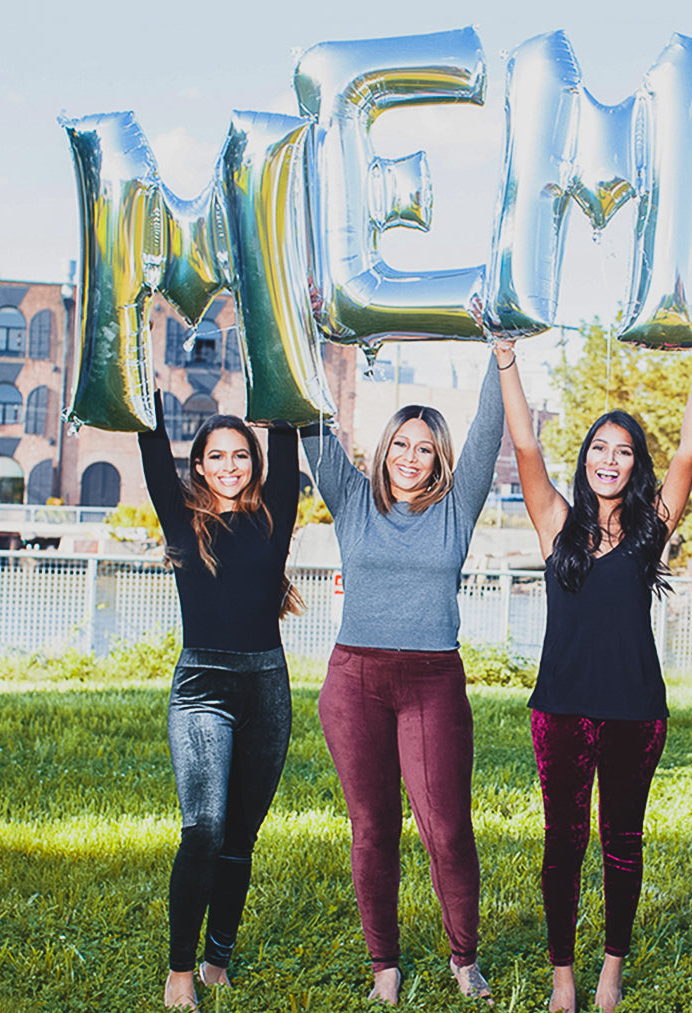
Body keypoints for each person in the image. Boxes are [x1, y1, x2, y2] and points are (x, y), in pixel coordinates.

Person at [495, 340, 692, 1013]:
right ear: (585, 457)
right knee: (562, 845)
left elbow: (688, 450)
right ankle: (563, 977)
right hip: (560, 709)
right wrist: (506, 358)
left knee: (622, 843)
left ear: (635, 465)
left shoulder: (651, 532)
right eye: (599, 448)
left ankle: (611, 968)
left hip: (634, 712)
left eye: (622, 451)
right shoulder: (555, 523)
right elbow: (525, 445)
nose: (609, 460)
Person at [301, 357, 505, 1004]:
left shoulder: (457, 506)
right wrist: (305, 331)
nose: (410, 457)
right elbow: (310, 421)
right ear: (384, 447)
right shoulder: (351, 498)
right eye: (400, 444)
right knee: (373, 827)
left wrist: (500, 350)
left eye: (424, 448)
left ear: (439, 457)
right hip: (355, 681)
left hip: (431, 681)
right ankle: (383, 964)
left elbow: (488, 428)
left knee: (446, 827)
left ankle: (464, 958)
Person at [138, 398, 301, 1009]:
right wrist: (139, 366)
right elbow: (151, 443)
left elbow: (285, 423)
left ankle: (216, 962)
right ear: (199, 466)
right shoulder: (182, 519)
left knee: (239, 838)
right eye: (216, 457)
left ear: (254, 463)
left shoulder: (274, 513)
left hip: (266, 688)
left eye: (240, 456)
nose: (230, 466)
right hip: (202, 688)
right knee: (203, 828)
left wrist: (280, 347)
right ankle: (180, 969)